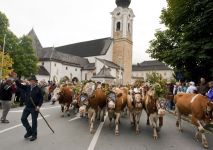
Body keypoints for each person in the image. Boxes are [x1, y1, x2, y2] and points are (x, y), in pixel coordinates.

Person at [15, 75, 43, 141]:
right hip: (27, 106)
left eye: (33, 81)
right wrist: (16, 79)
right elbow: (20, 85)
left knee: (34, 122)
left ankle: (34, 135)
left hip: (34, 108)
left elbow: (41, 99)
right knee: (23, 119)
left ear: (35, 82)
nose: (32, 82)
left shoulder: (38, 89)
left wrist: (38, 106)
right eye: (31, 81)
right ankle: (29, 131)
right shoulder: (27, 87)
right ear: (30, 81)